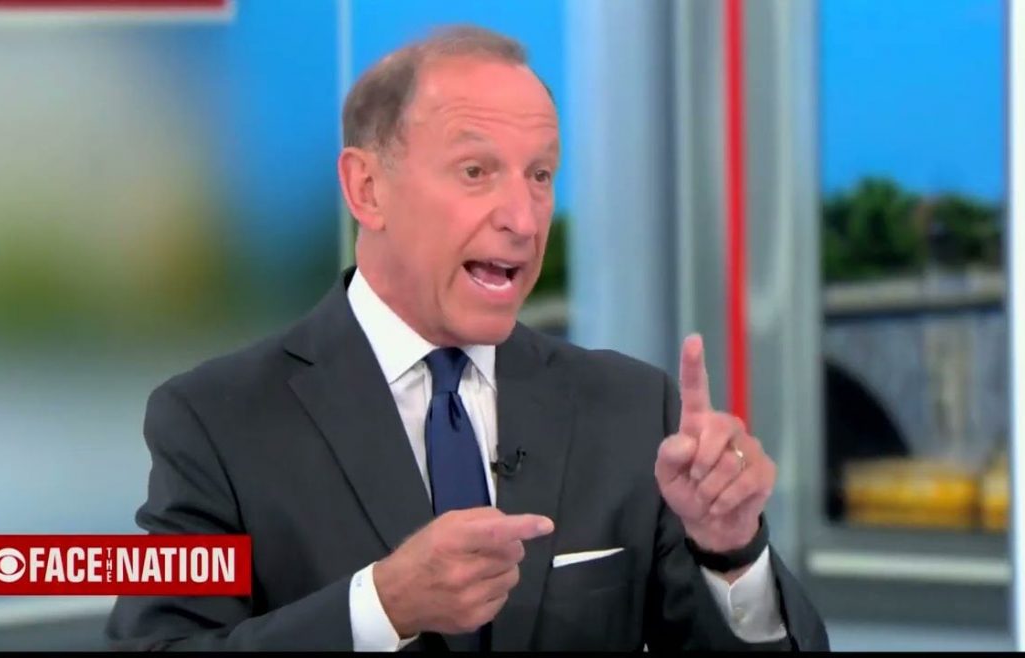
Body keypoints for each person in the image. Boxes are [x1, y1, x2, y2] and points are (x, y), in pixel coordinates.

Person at [104, 24, 829, 652]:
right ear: (367, 190)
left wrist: (731, 554)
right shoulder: (217, 421)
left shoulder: (633, 408)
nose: (524, 218)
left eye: (540, 175)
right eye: (476, 171)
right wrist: (379, 608)